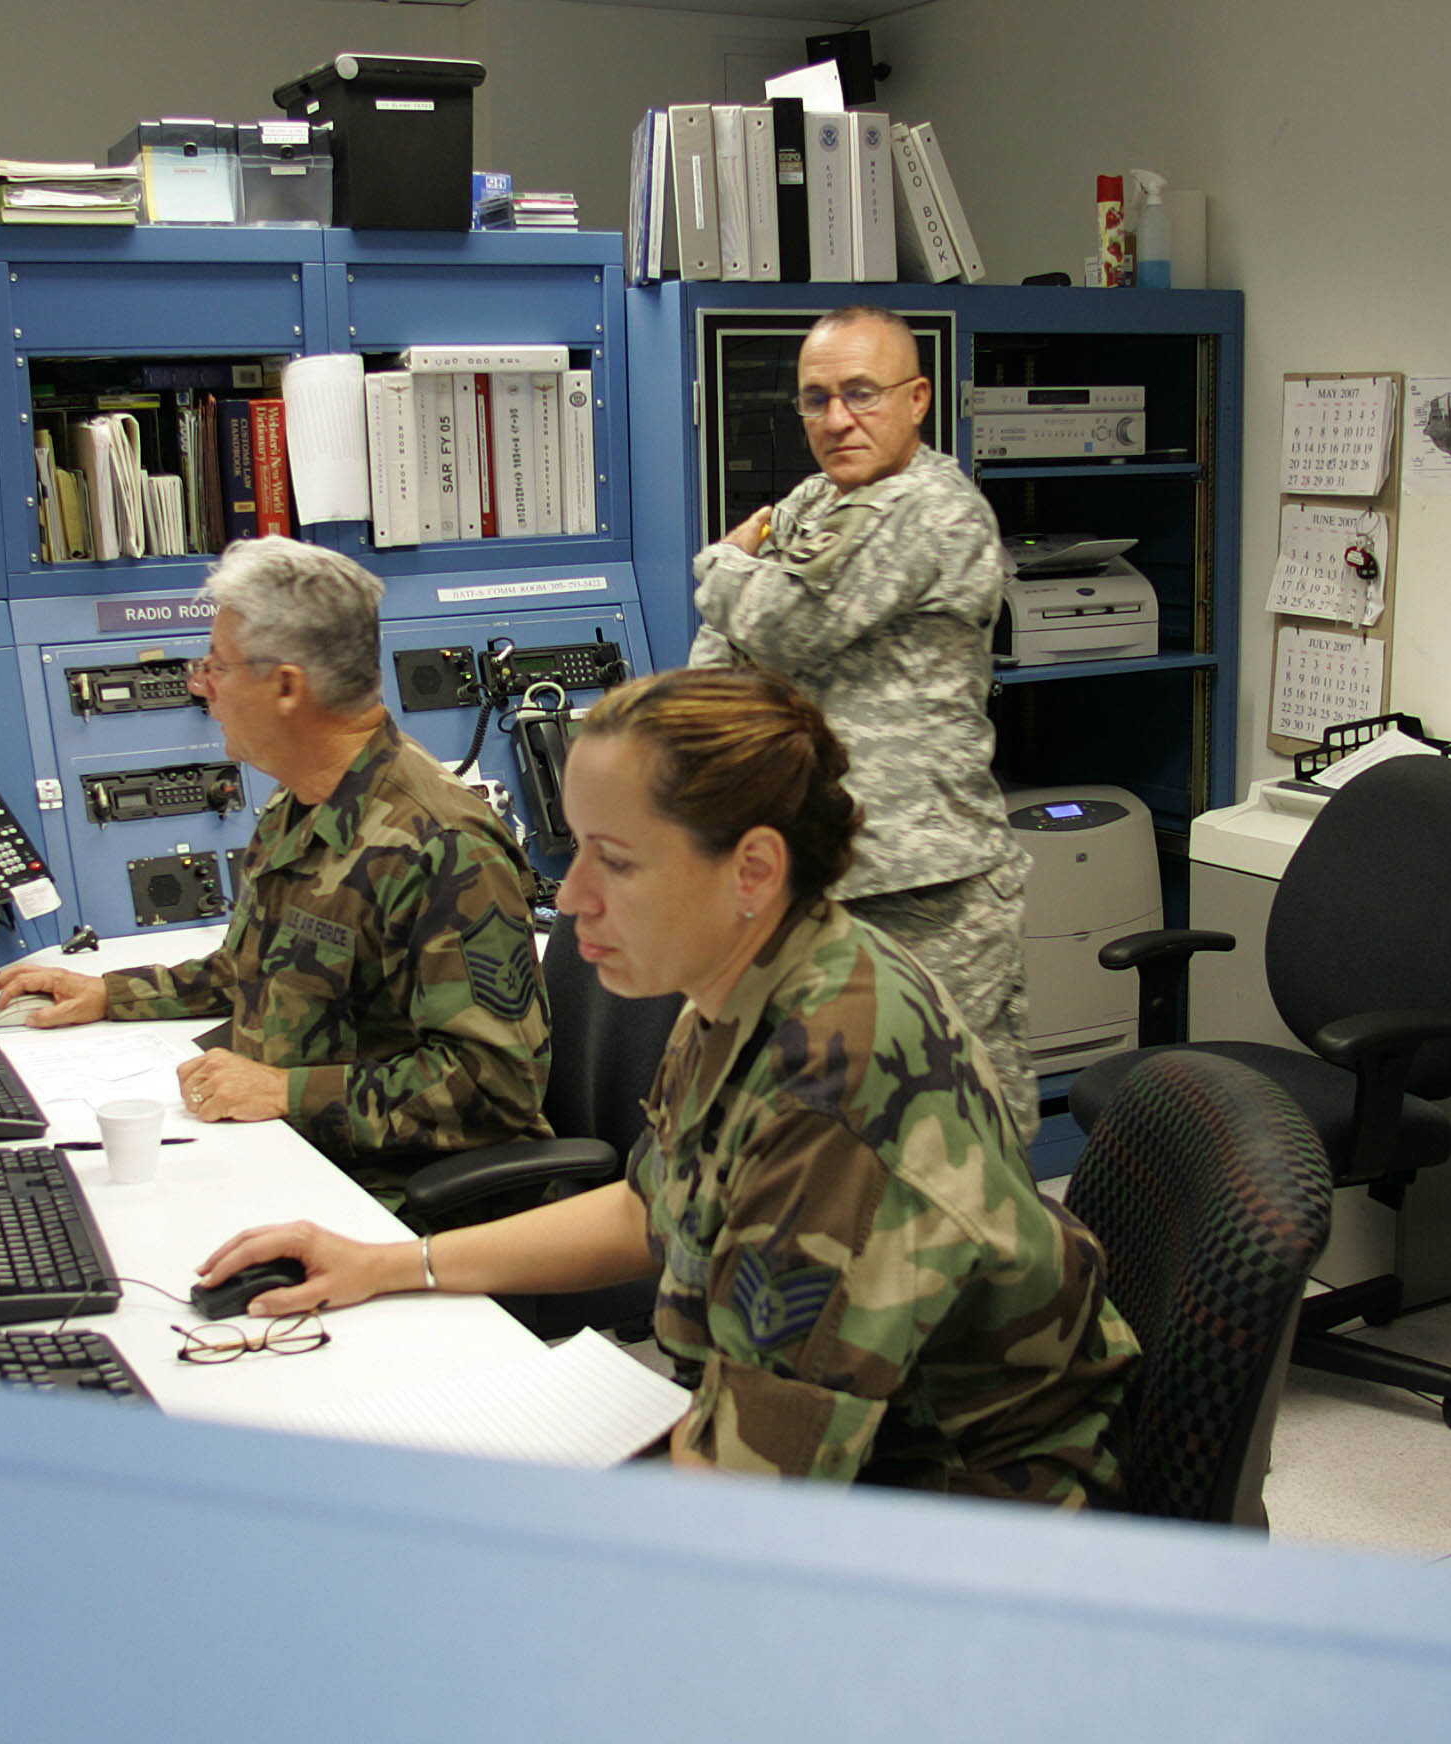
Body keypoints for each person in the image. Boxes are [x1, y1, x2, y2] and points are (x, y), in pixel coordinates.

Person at [199, 666, 1138, 1503]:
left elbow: (749, 1492)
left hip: (963, 1511)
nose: (569, 899)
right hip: (822, 1456)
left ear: (753, 870)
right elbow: (651, 1209)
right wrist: (384, 1264)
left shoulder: (832, 1092)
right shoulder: (747, 979)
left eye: (617, 860)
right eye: (576, 851)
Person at [0, 537, 550, 1201]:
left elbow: (496, 1086)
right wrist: (110, 993)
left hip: (390, 1201)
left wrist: (284, 1090)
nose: (202, 688)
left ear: (286, 685)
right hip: (286, 1157)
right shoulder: (304, 802)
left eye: (217, 667)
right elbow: (259, 970)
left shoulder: (441, 846)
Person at [689, 304, 1038, 1145]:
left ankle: (1009, 1279)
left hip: (927, 888)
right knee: (831, 1128)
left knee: (957, 1122)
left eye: (860, 393)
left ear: (917, 399)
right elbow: (717, 666)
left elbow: (782, 628)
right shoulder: (814, 499)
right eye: (815, 399)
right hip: (820, 873)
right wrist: (742, 588)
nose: (837, 418)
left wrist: (719, 562)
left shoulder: (932, 508)